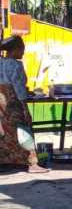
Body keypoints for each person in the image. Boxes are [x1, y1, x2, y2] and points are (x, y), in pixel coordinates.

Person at [0, 36, 47, 173]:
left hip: (1, 105)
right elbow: (20, 91)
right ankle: (32, 164)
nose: (23, 53)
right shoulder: (16, 65)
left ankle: (5, 162)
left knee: (4, 132)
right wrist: (26, 108)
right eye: (22, 49)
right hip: (12, 103)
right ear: (14, 50)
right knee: (24, 129)